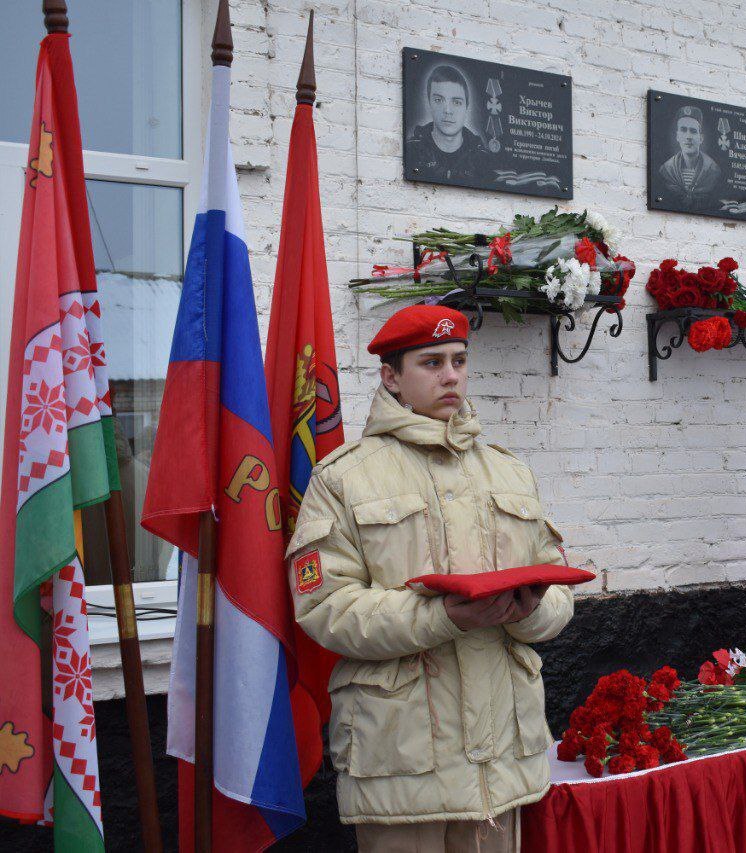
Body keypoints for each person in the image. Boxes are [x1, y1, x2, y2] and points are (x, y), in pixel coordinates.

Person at [287, 305, 572, 852]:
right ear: (390, 377)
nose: (451, 376)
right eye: (431, 362)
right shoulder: (343, 479)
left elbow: (557, 589)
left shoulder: (510, 472)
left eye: (459, 361)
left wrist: (530, 608)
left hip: (501, 766)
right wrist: (441, 617)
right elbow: (326, 608)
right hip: (403, 765)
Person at [405, 64, 490, 183]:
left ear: (467, 107)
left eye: (456, 102)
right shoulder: (412, 151)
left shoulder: (483, 158)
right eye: (438, 100)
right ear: (429, 103)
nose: (447, 111)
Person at [657, 104, 723, 208]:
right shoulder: (666, 171)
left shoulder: (713, 171)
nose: (688, 137)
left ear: (701, 138)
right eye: (683, 130)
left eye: (693, 131)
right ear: (677, 136)